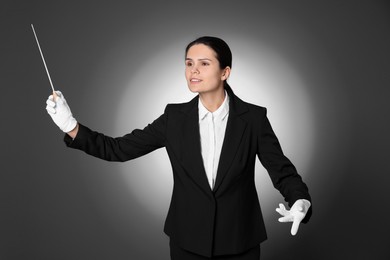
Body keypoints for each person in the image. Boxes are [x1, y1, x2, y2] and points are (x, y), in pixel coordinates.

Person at [46, 36, 312, 260]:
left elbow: (283, 172)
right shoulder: (174, 118)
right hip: (187, 244)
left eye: (204, 64)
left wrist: (300, 200)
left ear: (225, 72)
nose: (193, 70)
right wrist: (71, 125)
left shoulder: (253, 118)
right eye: (189, 63)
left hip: (240, 243)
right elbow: (118, 149)